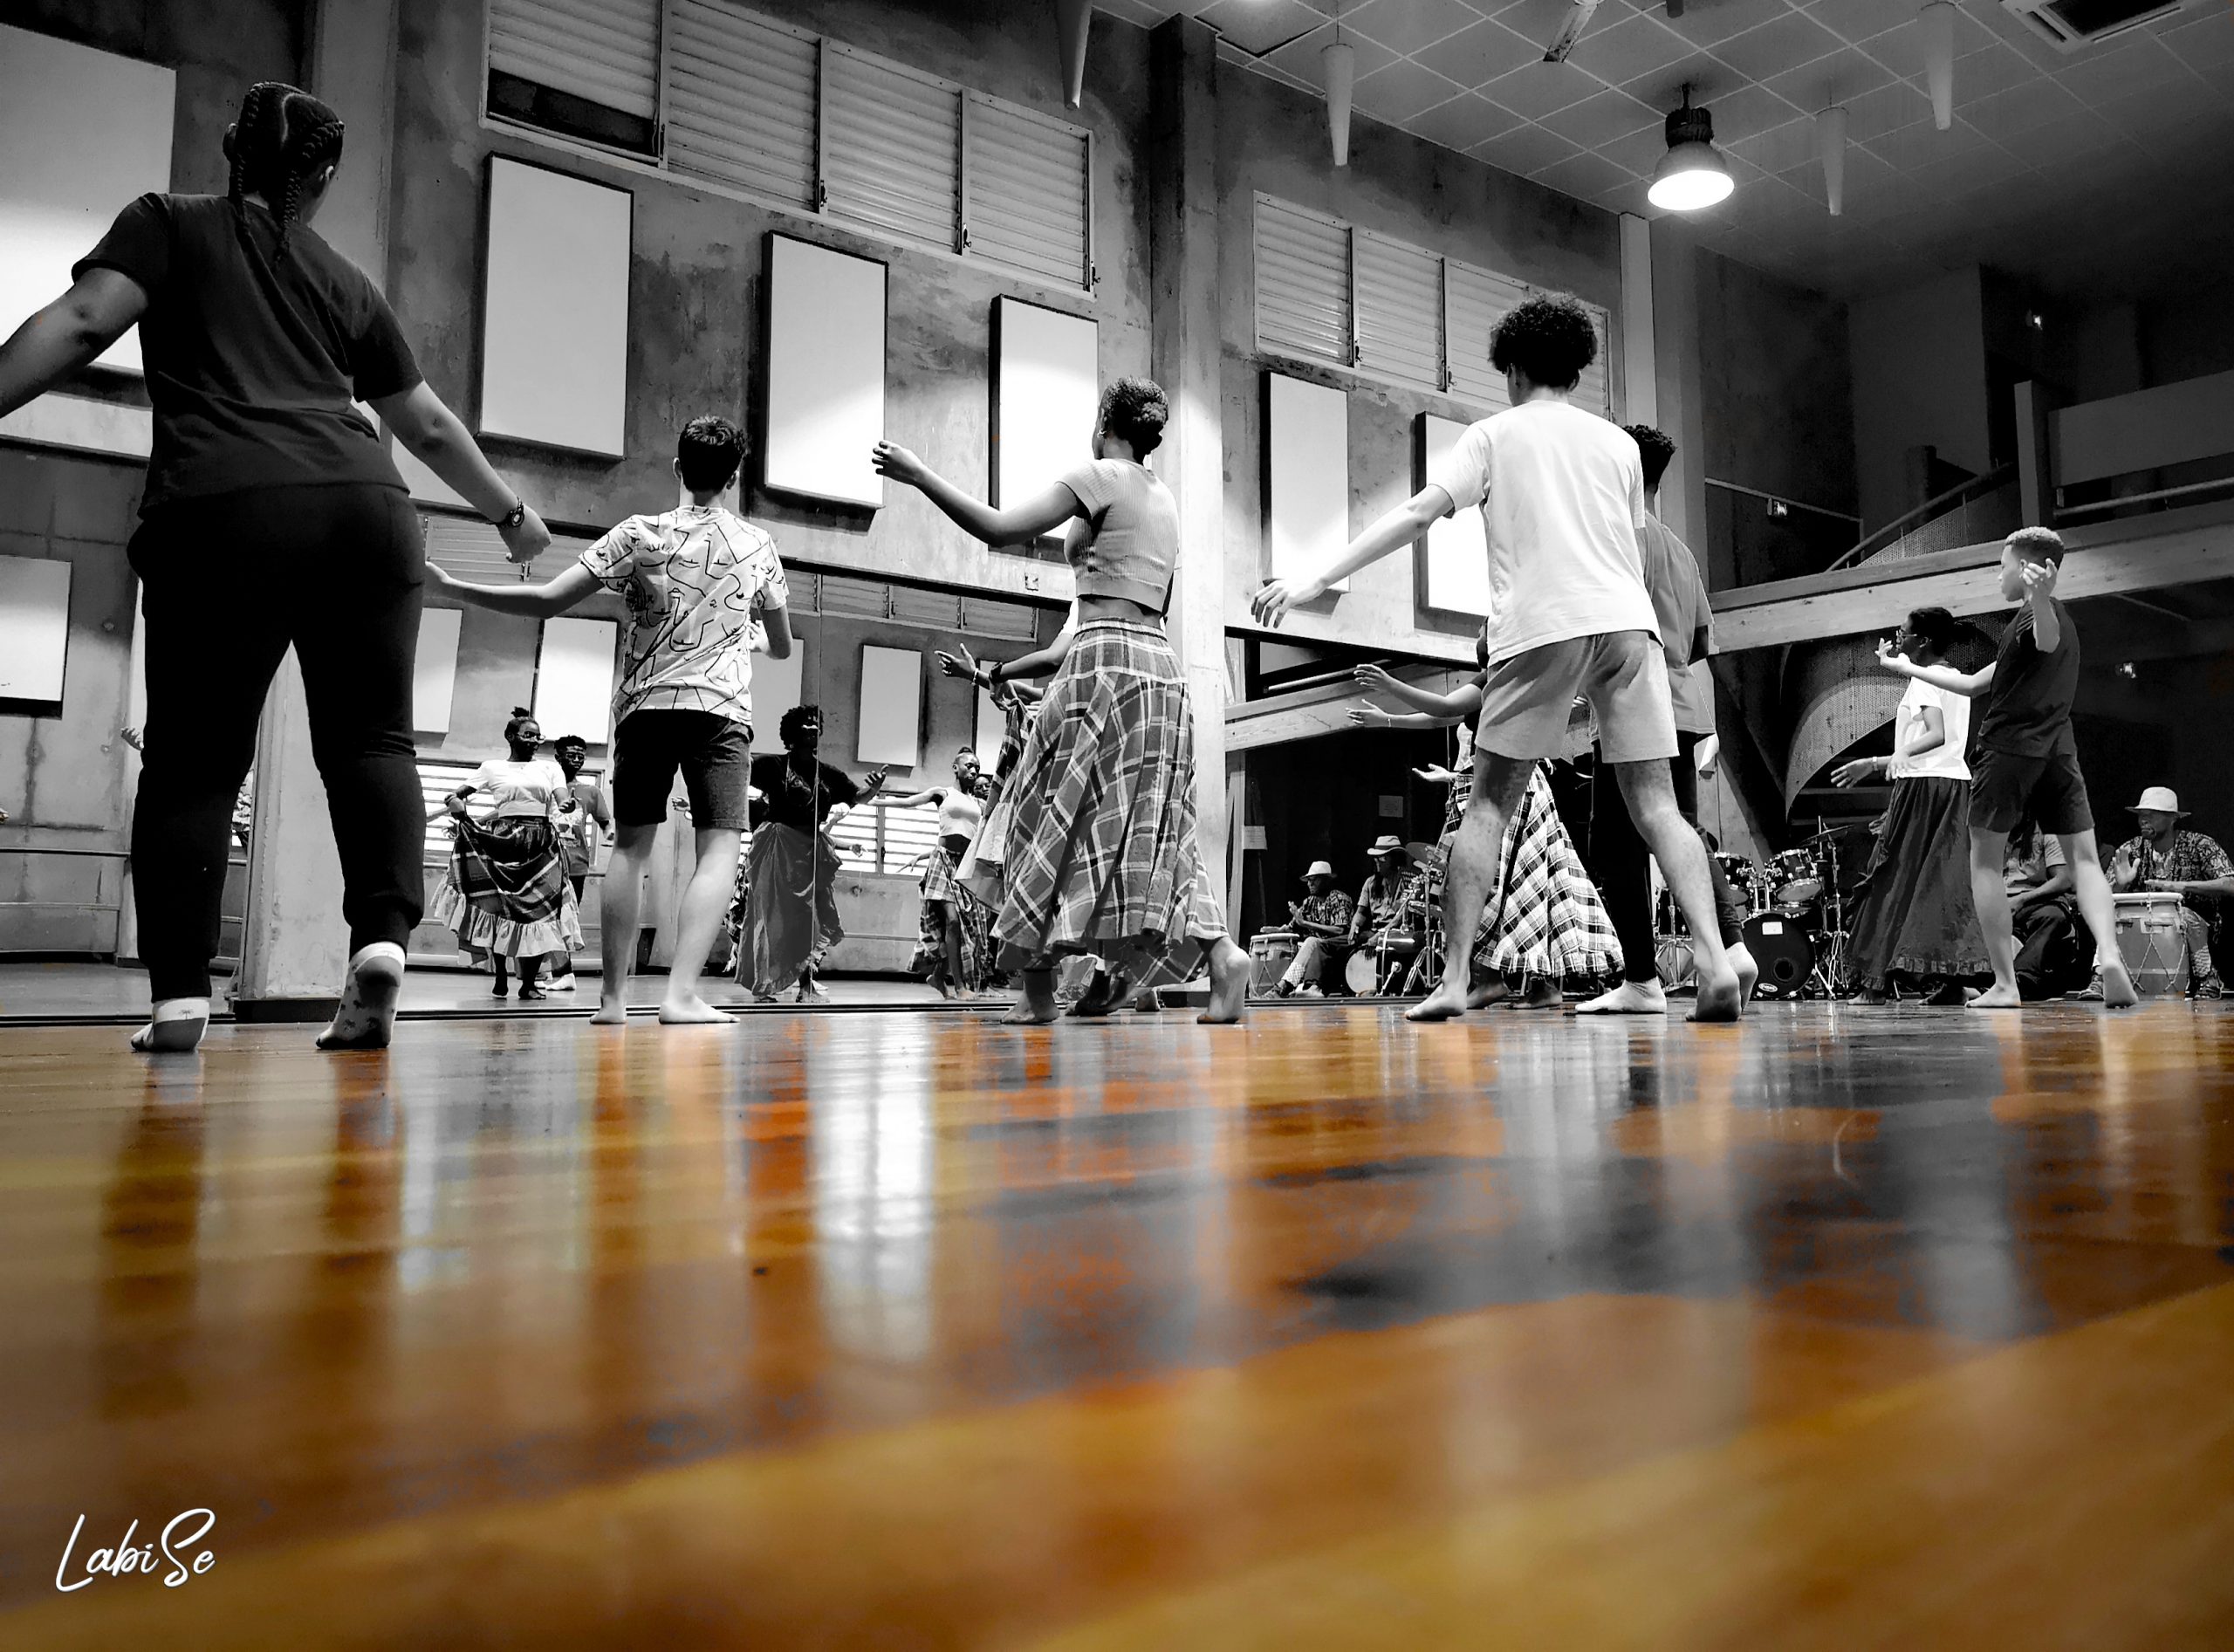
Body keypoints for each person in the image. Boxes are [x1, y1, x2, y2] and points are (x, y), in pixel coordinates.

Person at [0, 80, 552, 1052]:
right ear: (324, 177)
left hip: (227, 509)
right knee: (374, 744)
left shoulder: (169, 222)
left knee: (195, 762)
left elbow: (84, 322)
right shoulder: (346, 280)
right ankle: (380, 942)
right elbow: (424, 423)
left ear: (229, 145)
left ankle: (179, 997)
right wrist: (511, 515)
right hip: (370, 511)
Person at [1253, 293, 1740, 1022]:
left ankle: (1454, 979)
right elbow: (1631, 548)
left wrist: (1316, 579)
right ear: (1575, 369)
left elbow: (1417, 513)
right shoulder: (1618, 447)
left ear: (1512, 369)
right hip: (1629, 628)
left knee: (1485, 807)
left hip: (1542, 627)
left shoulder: (1491, 435)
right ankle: (1715, 960)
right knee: (1658, 807)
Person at [873, 378, 1252, 1025]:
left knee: (1039, 808)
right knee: (1151, 827)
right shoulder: (1164, 500)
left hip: (1103, 660)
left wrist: (919, 475)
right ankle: (1221, 953)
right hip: (1161, 670)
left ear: (1104, 420)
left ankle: (1038, 991)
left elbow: (998, 529)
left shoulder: (1101, 474)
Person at [426, 416, 790, 1025]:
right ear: (734, 477)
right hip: (720, 712)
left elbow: (546, 599)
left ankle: (613, 1000)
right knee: (720, 846)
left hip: (644, 709)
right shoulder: (758, 545)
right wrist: (747, 638)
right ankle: (680, 995)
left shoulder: (637, 533)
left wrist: (454, 586)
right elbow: (780, 644)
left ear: (677, 468)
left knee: (630, 847)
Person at [1878, 527, 2135, 1008]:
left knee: (1984, 864)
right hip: (2059, 748)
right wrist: (1904, 668)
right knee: (2084, 859)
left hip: (2008, 749)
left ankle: (2004, 984)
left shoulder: (2037, 617)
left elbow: (2045, 637)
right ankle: (2109, 954)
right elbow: (1975, 684)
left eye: (2002, 567)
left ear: (2025, 568)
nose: (1998, 576)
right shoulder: (2046, 624)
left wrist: (2039, 599)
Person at [1575, 425, 1755, 1014]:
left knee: (1616, 847)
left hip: (1634, 699)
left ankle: (1642, 980)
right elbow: (1701, 643)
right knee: (1682, 831)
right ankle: (1732, 945)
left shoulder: (1620, 535)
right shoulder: (1681, 550)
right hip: (1682, 699)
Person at [1349, 661, 1620, 1009]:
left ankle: (1519, 982)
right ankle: (1502, 980)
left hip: (1509, 787)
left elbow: (1444, 707)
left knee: (1507, 885)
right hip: (1495, 784)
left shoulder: (1507, 673)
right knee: (1509, 885)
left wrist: (1390, 686)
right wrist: (1387, 719)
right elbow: (1441, 718)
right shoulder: (1505, 679)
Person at [1836, 607, 1989, 1004]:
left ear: (1923, 641)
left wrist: (1880, 761)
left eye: (1903, 632)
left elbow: (1936, 734)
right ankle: (1953, 982)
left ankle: (1874, 986)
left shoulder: (1923, 680)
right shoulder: (1953, 678)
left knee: (1892, 877)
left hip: (1923, 787)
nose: (1898, 636)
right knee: (1942, 884)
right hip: (1953, 786)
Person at [429, 709, 584, 1001]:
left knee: (542, 913)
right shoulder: (492, 767)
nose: (535, 741)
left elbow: (563, 798)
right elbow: (455, 795)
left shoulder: (550, 768)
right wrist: (456, 804)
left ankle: (528, 984)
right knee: (500, 909)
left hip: (541, 843)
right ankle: (500, 974)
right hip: (502, 840)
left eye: (538, 736)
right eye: (528, 735)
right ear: (511, 737)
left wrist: (567, 806)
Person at [742, 705, 887, 1004]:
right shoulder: (772, 765)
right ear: (791, 732)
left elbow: (858, 797)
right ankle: (764, 986)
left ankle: (806, 987)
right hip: (779, 847)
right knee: (773, 916)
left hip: (811, 851)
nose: (812, 727)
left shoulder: (828, 773)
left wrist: (874, 788)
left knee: (812, 918)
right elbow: (738, 772)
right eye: (805, 723)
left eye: (815, 723)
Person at [2106, 786, 2229, 999]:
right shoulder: (2131, 849)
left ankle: (2207, 976)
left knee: (2184, 915)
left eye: (2152, 815)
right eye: (2141, 815)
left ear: (2172, 819)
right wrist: (2119, 885)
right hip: (2140, 927)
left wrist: (2184, 887)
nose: (2144, 820)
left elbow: (2230, 883)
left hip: (2196, 926)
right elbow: (2101, 898)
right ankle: (2101, 978)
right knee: (2108, 917)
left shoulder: (2200, 845)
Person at [888, 748, 988, 999]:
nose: (973, 771)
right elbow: (908, 802)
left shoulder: (979, 804)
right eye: (969, 766)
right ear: (956, 768)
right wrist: (869, 800)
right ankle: (960, 987)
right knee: (952, 921)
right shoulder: (943, 794)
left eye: (977, 767)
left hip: (966, 867)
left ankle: (937, 976)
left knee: (961, 928)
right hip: (943, 862)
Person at [542, 735, 612, 992]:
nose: (576, 760)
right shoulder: (545, 789)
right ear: (558, 757)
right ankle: (547, 970)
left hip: (576, 866)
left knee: (564, 918)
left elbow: (605, 823)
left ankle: (565, 973)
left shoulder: (591, 792)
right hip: (545, 863)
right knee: (541, 918)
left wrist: (612, 836)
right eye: (571, 755)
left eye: (580, 756)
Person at [2004, 817, 2086, 1000]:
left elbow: (2063, 879)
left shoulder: (2047, 832)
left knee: (2053, 916)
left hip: (2034, 900)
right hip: (1998, 901)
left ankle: (2021, 977)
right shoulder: (1992, 832)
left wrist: (2022, 899)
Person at [1347, 837, 1427, 995]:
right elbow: (1361, 912)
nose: (1377, 861)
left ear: (1393, 858)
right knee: (1335, 945)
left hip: (1395, 931)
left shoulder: (1406, 880)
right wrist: (1354, 927)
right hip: (1373, 930)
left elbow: (1402, 914)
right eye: (1376, 858)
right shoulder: (1370, 882)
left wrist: (1380, 935)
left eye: (1382, 858)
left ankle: (1378, 986)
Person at [1274, 861, 1356, 997]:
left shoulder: (1340, 899)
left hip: (1337, 950)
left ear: (1326, 880)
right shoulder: (1310, 902)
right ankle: (1294, 987)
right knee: (1303, 944)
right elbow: (1292, 925)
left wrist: (1306, 924)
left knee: (1312, 941)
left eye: (1314, 880)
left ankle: (1284, 987)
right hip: (1317, 952)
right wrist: (1278, 930)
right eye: (1308, 880)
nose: (1309, 884)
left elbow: (1340, 931)